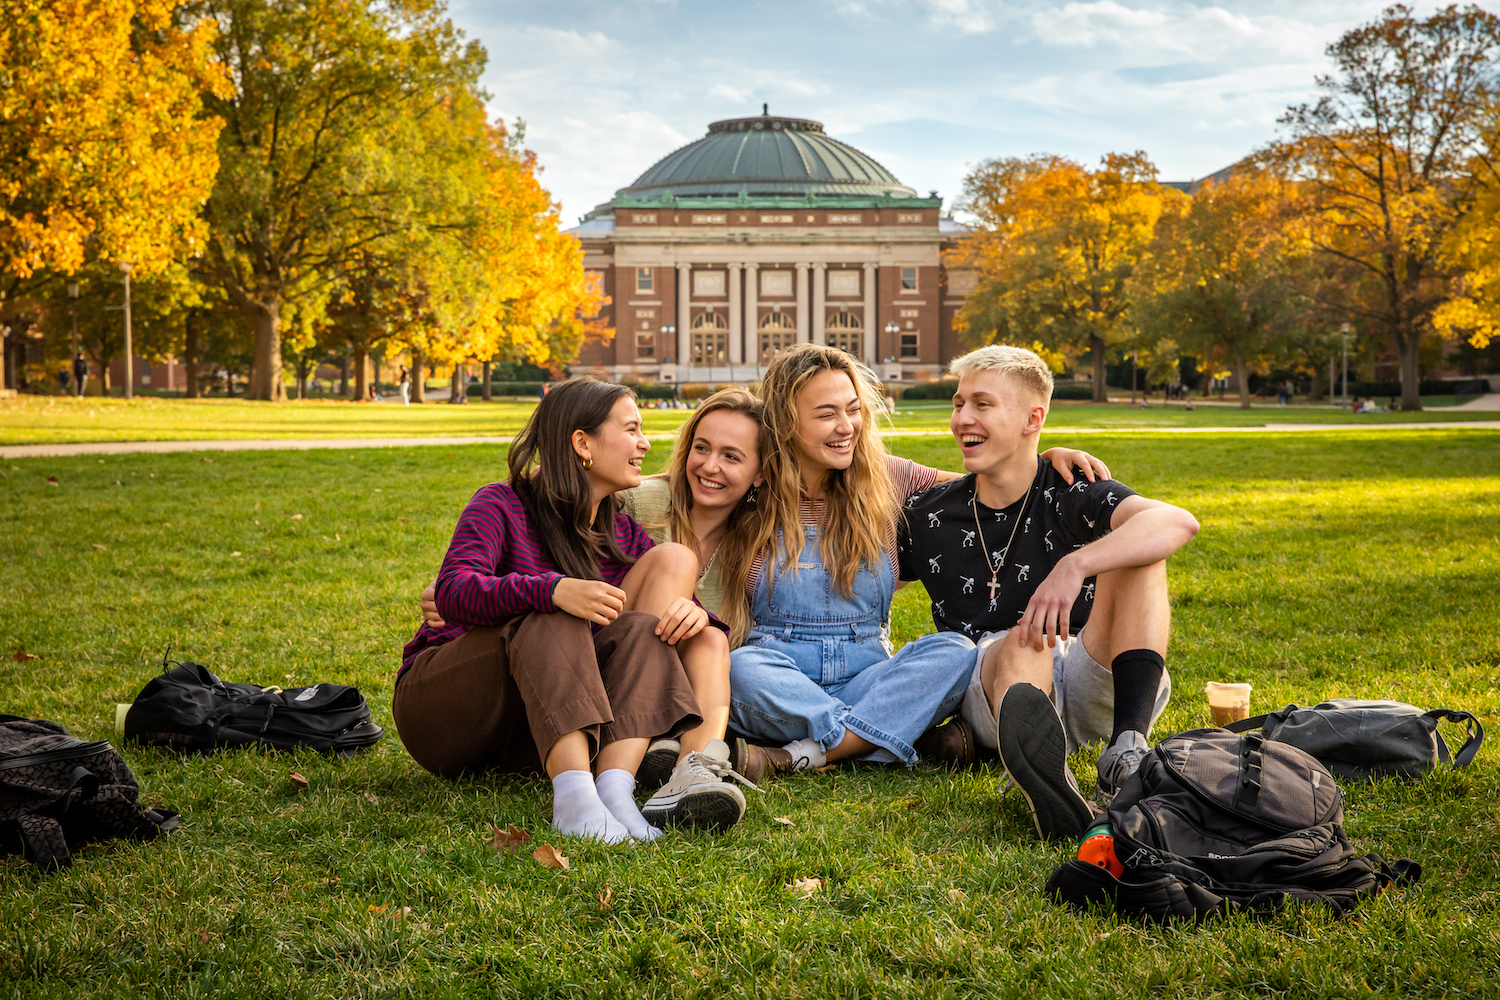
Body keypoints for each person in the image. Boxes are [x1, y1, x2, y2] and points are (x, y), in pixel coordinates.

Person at [394, 377, 744, 842]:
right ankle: (576, 801)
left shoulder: (619, 533)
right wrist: (553, 590)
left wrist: (699, 616)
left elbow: (677, 622)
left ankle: (614, 789)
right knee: (553, 614)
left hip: (533, 733)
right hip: (446, 715)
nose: (645, 443)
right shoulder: (500, 503)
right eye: (632, 429)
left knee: (643, 629)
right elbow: (452, 591)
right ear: (583, 443)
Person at [725, 344, 1102, 775]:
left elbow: (997, 482)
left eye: (853, 410)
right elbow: (683, 484)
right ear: (786, 421)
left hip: (867, 675)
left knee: (954, 651)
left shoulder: (888, 476)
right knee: (738, 668)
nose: (846, 427)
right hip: (778, 673)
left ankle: (803, 752)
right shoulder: (753, 481)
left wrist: (1044, 459)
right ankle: (893, 731)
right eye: (827, 414)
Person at [897, 346, 1199, 841]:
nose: (961, 419)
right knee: (1021, 640)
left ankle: (1128, 747)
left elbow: (1176, 521)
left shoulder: (1070, 488)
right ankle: (1042, 775)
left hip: (1090, 669)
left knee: (1140, 549)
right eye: (957, 404)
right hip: (993, 685)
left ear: (1033, 418)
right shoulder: (926, 514)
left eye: (982, 404)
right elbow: (868, 596)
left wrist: (1076, 563)